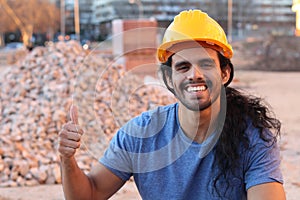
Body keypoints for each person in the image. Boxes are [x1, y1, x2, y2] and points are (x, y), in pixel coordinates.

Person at [58, 10, 285, 199]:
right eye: (183, 67)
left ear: (224, 73)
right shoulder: (141, 135)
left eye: (205, 64)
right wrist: (67, 160)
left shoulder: (252, 137)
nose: (194, 75)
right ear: (169, 79)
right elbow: (89, 194)